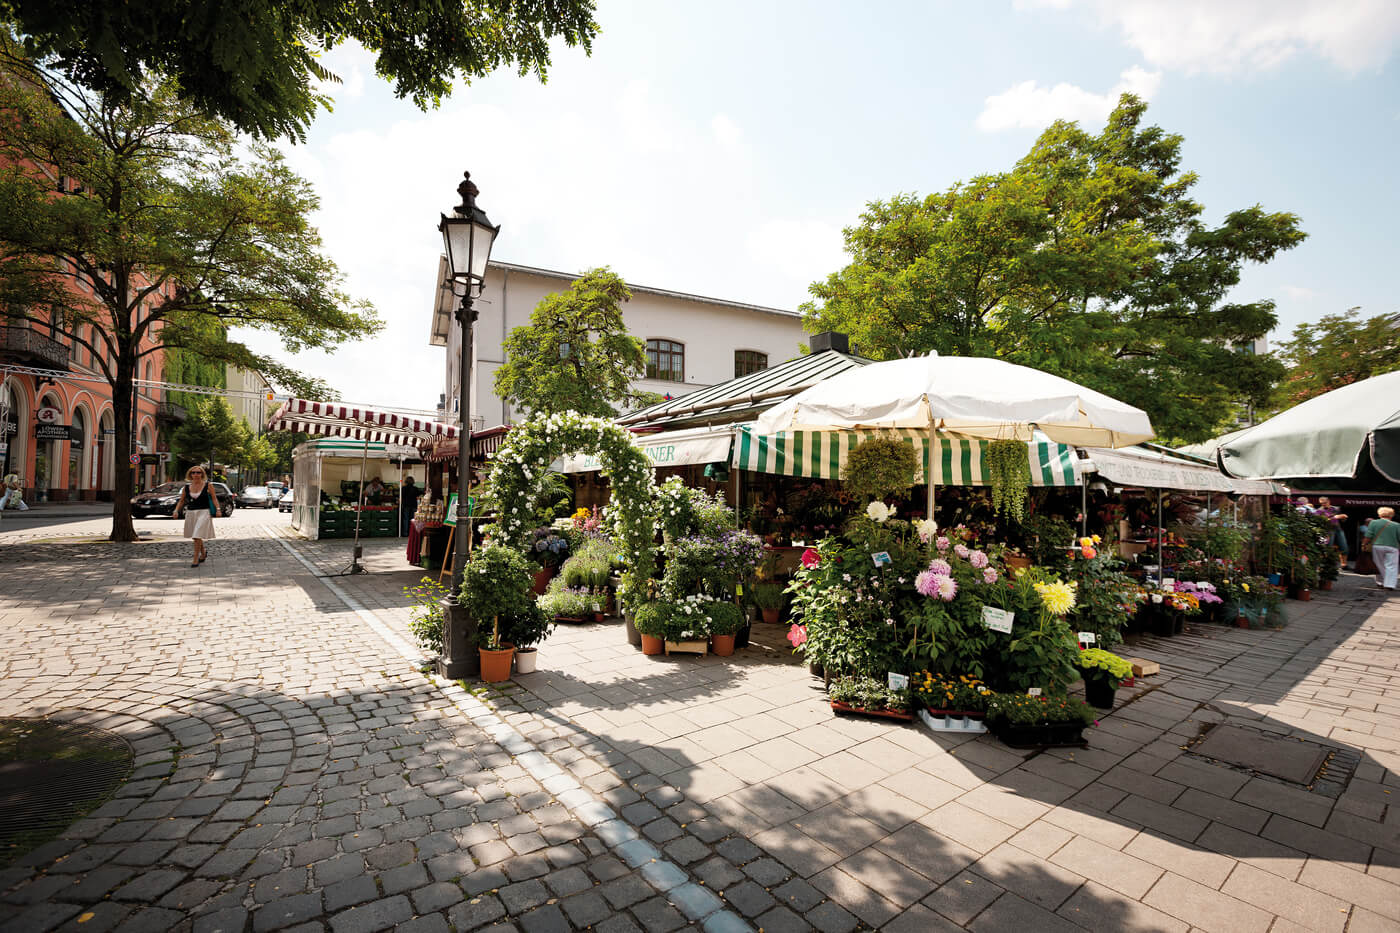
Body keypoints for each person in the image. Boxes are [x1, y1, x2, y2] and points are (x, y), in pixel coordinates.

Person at [173, 466, 218, 567]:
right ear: (190, 474)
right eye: (193, 473)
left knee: (196, 535)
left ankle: (195, 559)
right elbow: (181, 500)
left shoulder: (208, 485)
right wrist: (176, 510)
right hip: (191, 513)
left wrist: (218, 509)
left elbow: (214, 498)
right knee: (196, 536)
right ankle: (203, 553)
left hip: (204, 512)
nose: (196, 474)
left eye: (198, 472)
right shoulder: (186, 487)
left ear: (202, 474)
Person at [1362, 507, 1399, 591]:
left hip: (1377, 546)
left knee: (1379, 565)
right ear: (1392, 515)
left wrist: (1364, 544)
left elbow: (1368, 535)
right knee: (1392, 566)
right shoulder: (1397, 525)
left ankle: (1381, 582)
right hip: (1392, 547)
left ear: (1379, 514)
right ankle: (1389, 584)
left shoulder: (1373, 523)